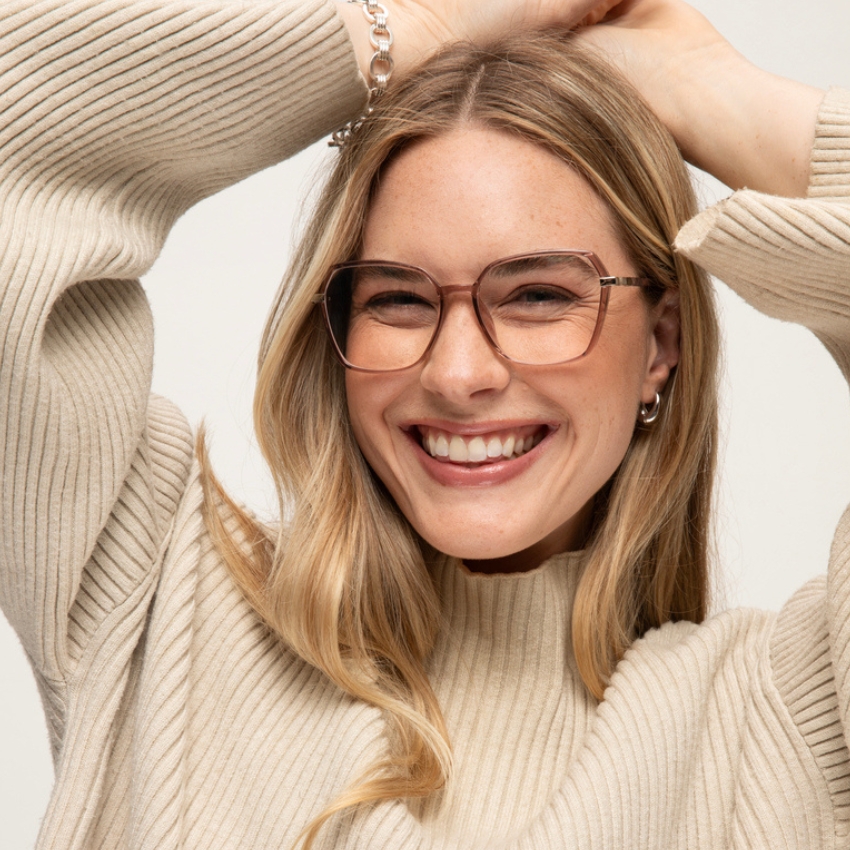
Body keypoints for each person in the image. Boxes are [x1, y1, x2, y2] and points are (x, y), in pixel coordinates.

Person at [0, 1, 848, 849]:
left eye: (539, 295)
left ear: (661, 347)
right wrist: (416, 28)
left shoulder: (795, 722)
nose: (457, 374)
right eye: (398, 299)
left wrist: (712, 95)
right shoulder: (156, 613)